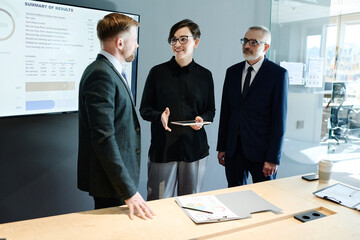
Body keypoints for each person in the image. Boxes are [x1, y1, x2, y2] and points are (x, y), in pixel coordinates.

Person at [77, 13, 155, 220]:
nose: (137, 45)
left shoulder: (109, 70)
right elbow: (103, 138)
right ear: (120, 43)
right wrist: (128, 190)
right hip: (111, 183)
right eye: (135, 40)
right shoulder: (101, 74)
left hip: (116, 181)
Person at [140, 19, 215, 200]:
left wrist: (201, 120)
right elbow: (144, 109)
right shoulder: (157, 73)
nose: (177, 44)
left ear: (196, 42)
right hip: (163, 148)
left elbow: (210, 110)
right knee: (158, 204)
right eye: (173, 40)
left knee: (192, 204)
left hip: (195, 150)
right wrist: (160, 116)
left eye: (183, 39)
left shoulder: (205, 76)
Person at [217, 26, 288, 187]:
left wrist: (273, 157)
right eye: (245, 41)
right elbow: (226, 112)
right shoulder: (232, 72)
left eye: (253, 42)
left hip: (263, 153)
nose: (247, 46)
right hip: (234, 150)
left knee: (264, 200)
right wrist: (222, 147)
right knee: (234, 196)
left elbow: (279, 120)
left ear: (266, 47)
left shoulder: (278, 75)